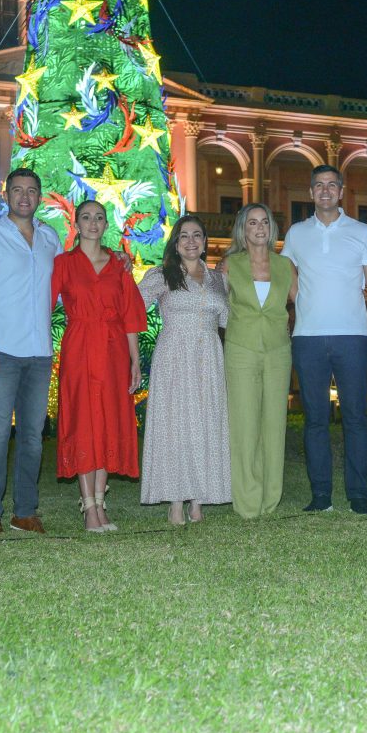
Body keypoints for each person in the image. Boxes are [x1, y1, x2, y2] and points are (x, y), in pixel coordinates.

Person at [0, 167, 63, 535]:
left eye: (31, 190)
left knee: (34, 436)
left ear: (39, 197)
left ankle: (24, 511)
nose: (24, 196)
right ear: (5, 195)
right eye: (17, 190)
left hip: (39, 353)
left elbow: (70, 282)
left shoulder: (52, 239)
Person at [281, 165, 367, 514]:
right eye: (318, 186)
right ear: (311, 193)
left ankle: (359, 496)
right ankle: (321, 496)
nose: (325, 191)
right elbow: (286, 273)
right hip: (308, 338)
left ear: (342, 192)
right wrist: (301, 298)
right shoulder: (297, 233)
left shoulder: (361, 232)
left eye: (332, 186)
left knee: (355, 418)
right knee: (315, 419)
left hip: (353, 336)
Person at [50, 199, 147, 532]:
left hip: (113, 350)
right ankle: (89, 507)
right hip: (78, 347)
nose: (93, 223)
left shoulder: (119, 265)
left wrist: (135, 360)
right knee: (82, 423)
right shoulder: (63, 263)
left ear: (107, 225)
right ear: (76, 224)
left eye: (99, 218)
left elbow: (131, 315)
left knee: (106, 422)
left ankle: (101, 504)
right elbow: (43, 305)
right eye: (87, 217)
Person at [138, 215, 230, 524]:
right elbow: (131, 307)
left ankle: (198, 500)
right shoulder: (162, 275)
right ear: (175, 244)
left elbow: (229, 322)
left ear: (205, 242)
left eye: (197, 236)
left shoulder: (219, 279)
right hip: (174, 354)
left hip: (210, 356)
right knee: (176, 424)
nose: (191, 241)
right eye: (184, 236)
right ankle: (176, 501)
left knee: (206, 423)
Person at [221, 203, 296, 519]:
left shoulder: (285, 265)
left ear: (271, 228)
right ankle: (248, 502)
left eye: (264, 221)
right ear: (243, 229)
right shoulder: (229, 265)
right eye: (252, 223)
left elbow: (302, 303)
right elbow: (216, 306)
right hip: (240, 349)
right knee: (244, 424)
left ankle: (270, 498)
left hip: (279, 351)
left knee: (274, 425)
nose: (259, 227)